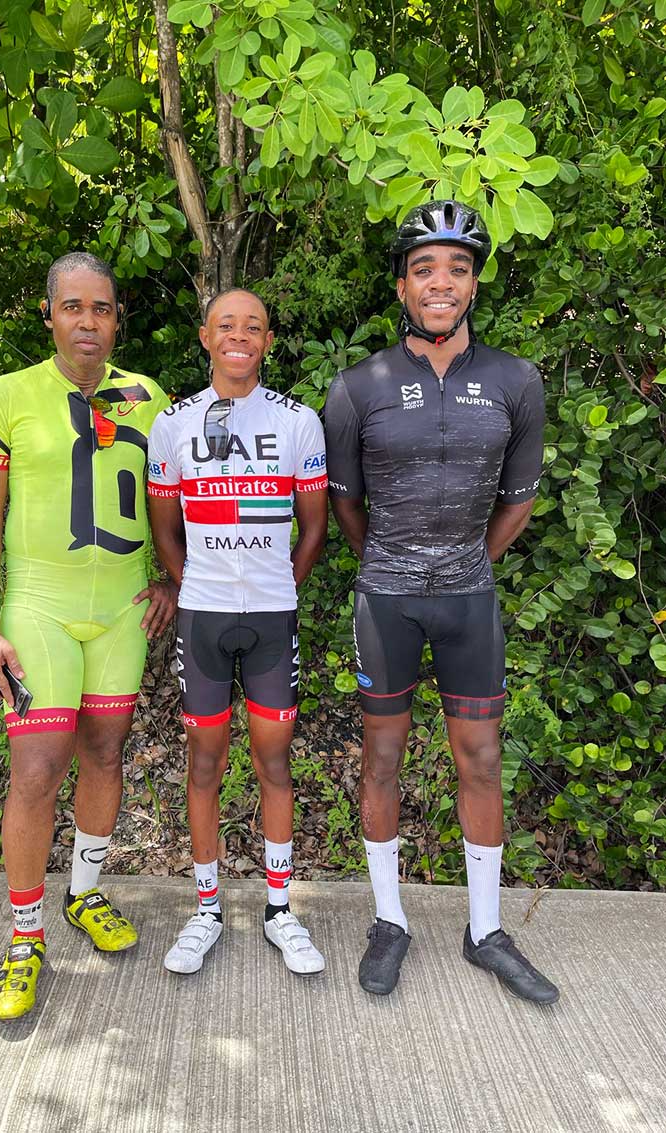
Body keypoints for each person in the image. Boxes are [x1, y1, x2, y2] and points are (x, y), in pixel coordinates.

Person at [324, 201, 559, 1004]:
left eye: (458, 268)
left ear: (474, 284)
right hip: (386, 596)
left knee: (482, 759)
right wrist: (392, 565)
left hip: (469, 598)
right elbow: (346, 505)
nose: (441, 281)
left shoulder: (516, 381)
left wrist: (465, 564)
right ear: (401, 285)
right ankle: (389, 920)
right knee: (382, 757)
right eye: (424, 267)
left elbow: (519, 501)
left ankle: (486, 929)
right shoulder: (357, 386)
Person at [0, 252, 176, 1020]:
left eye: (102, 308)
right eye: (73, 307)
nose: (89, 321)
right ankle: (25, 936)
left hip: (122, 610)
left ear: (117, 318)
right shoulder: (8, 394)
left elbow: (172, 502)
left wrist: (173, 577)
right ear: (49, 313)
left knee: (105, 752)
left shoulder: (149, 398)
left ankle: (83, 892)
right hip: (40, 609)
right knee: (37, 767)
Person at [147, 289, 328, 975]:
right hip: (203, 617)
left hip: (273, 618)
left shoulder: (298, 421)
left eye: (253, 327)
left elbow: (314, 526)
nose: (239, 336)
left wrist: (281, 586)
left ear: (268, 340)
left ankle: (280, 910)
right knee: (205, 764)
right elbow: (166, 530)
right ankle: (206, 910)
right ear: (205, 336)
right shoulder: (173, 424)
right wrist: (197, 585)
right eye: (227, 325)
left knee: (274, 763)